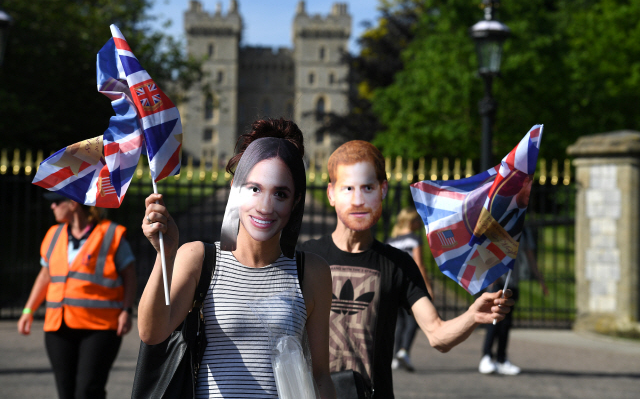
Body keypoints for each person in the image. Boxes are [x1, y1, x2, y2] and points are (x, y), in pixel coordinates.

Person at [298, 140, 514, 398]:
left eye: (368, 187)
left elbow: (437, 335)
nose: (358, 200)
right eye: (348, 188)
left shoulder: (398, 264)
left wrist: (472, 316)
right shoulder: (305, 258)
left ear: (383, 190)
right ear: (331, 193)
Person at [138, 118, 336, 398]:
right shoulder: (199, 259)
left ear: (296, 201)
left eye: (280, 193)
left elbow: (320, 377)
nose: (265, 207)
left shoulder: (311, 272)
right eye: (254, 189)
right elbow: (151, 332)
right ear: (235, 188)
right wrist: (165, 256)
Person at [17, 192, 136, 399]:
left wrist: (126, 309)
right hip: (58, 326)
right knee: (66, 392)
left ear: (72, 204)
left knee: (88, 391)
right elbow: (45, 275)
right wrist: (28, 309)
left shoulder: (110, 234)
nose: (52, 207)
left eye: (55, 202)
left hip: (99, 327)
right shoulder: (53, 234)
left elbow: (130, 276)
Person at [478, 223, 548, 376]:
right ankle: (487, 356)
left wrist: (540, 280)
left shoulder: (524, 231)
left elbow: (531, 259)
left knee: (506, 324)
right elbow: (484, 252)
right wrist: (489, 279)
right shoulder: (495, 228)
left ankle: (502, 359)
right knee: (493, 321)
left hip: (512, 283)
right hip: (496, 283)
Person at [386, 208, 434, 372]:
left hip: (393, 284)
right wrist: (427, 286)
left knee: (398, 322)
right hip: (410, 285)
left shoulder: (391, 240)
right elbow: (419, 265)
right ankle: (404, 351)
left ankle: (395, 357)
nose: (419, 224)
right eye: (417, 221)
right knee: (413, 321)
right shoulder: (414, 239)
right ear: (411, 221)